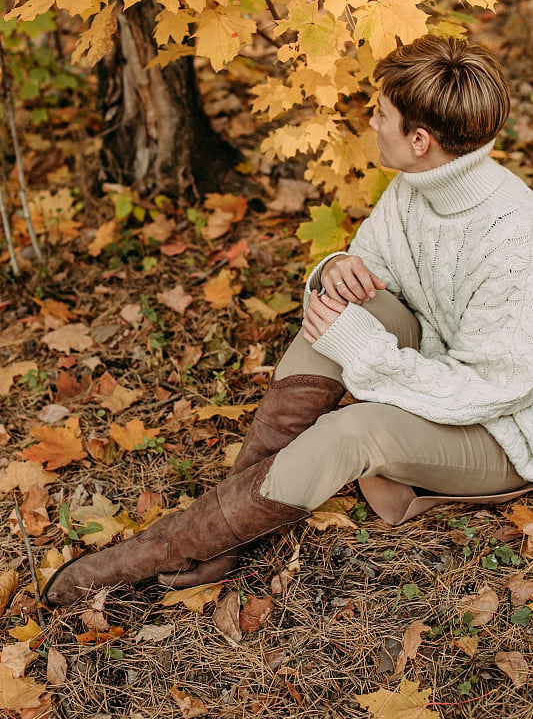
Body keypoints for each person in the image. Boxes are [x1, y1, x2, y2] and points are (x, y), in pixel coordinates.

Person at [44, 35, 533, 607]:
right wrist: (340, 268)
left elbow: (489, 390)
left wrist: (367, 355)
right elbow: (377, 274)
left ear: (420, 141)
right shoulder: (413, 190)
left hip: (502, 431)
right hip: (436, 368)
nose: (371, 122)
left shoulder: (514, 238)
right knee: (345, 306)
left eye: (382, 114)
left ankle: (166, 549)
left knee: (353, 431)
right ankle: (226, 528)